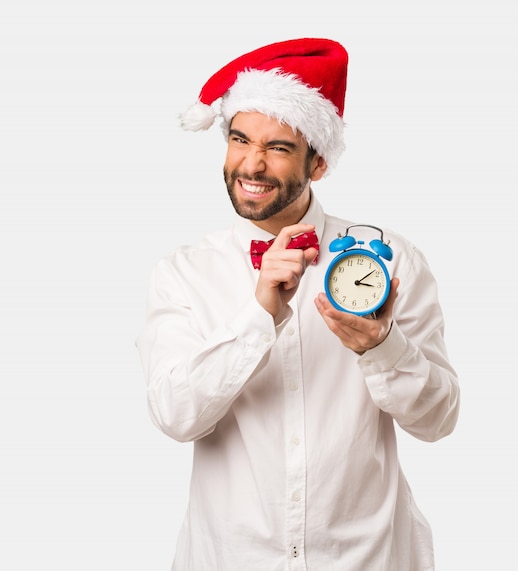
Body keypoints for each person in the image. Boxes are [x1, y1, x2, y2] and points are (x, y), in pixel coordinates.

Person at [136, 38, 460, 571]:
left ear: (320, 162)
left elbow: (439, 419)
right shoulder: (184, 273)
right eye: (240, 139)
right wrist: (258, 315)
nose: (253, 164)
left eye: (279, 148)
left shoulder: (392, 261)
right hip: (231, 559)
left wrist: (384, 347)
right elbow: (174, 415)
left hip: (367, 559)